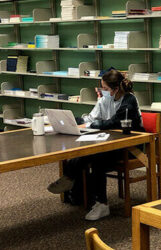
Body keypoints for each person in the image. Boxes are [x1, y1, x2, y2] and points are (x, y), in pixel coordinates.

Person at [47, 69, 144, 221]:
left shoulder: (129, 100)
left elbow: (114, 122)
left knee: (98, 159)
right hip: (110, 142)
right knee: (86, 153)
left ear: (116, 89)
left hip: (131, 146)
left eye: (105, 88)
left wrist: (96, 124)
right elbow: (91, 117)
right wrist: (77, 121)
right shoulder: (105, 99)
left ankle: (101, 204)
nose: (102, 91)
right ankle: (70, 180)